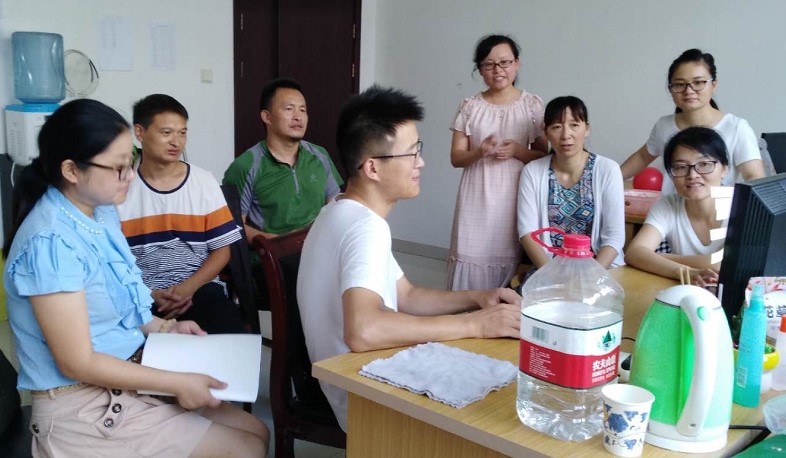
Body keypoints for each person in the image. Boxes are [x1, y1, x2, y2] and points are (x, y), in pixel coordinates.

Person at [2, 99, 268, 457]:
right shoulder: (51, 243)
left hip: (124, 379)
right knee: (244, 448)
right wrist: (175, 382)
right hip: (82, 407)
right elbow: (76, 362)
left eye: (131, 163)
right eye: (118, 168)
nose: (130, 176)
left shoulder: (100, 213)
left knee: (257, 431)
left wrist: (164, 327)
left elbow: (121, 302)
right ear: (71, 170)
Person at [297, 86, 522, 431]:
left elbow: (407, 295)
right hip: (367, 400)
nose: (421, 162)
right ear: (373, 168)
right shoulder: (366, 228)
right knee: (503, 408)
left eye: (419, 149)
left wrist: (478, 297)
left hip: (356, 383)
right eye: (411, 153)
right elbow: (364, 330)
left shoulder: (338, 209)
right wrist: (475, 324)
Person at [117, 94, 246, 334]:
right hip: (142, 295)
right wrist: (149, 294)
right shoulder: (120, 188)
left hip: (200, 289)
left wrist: (189, 287)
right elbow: (115, 262)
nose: (176, 142)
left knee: (231, 335)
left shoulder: (203, 182)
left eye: (182, 133)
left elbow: (222, 251)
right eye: (166, 133)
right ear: (140, 132)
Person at [447, 34, 547, 291]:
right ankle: (464, 310)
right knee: (470, 252)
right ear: (480, 69)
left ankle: (500, 309)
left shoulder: (532, 105)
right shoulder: (469, 106)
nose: (498, 70)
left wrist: (517, 150)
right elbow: (456, 158)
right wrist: (480, 151)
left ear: (517, 64)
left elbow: (543, 156)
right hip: (476, 194)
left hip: (514, 193)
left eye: (504, 62)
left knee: (506, 254)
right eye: (489, 64)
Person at [620, 48, 765, 193]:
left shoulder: (736, 127)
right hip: (670, 206)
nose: (688, 91)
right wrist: (611, 178)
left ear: (714, 84)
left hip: (716, 208)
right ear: (670, 89)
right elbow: (642, 157)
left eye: (698, 82)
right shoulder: (664, 125)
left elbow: (754, 177)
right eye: (679, 84)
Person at [223, 77, 343, 242]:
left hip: (317, 247)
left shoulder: (319, 155)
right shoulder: (245, 166)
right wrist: (278, 243)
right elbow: (234, 226)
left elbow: (334, 205)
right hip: (273, 253)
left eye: (303, 110)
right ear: (267, 117)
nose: (298, 117)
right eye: (289, 109)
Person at [517, 96, 625, 271]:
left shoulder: (608, 169)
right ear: (546, 133)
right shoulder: (532, 172)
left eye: (574, 125)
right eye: (557, 127)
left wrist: (592, 277)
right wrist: (551, 275)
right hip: (548, 270)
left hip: (600, 270)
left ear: (587, 129)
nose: (566, 135)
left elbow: (615, 236)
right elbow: (527, 232)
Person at [624, 127, 728, 287]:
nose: (693, 175)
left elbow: (722, 265)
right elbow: (634, 253)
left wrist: (660, 258)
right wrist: (687, 272)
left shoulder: (744, 207)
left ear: (724, 169)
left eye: (704, 164)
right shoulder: (668, 205)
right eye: (681, 167)